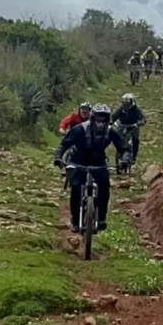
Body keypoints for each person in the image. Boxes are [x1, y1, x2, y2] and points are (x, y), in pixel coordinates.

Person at [55, 102, 126, 244]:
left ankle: (101, 219)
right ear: (92, 119)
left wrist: (125, 159)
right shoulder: (79, 129)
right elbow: (64, 144)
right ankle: (75, 219)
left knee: (104, 186)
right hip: (78, 161)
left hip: (99, 162)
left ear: (108, 121)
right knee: (75, 187)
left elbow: (124, 147)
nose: (101, 123)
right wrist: (58, 157)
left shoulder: (111, 131)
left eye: (104, 120)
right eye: (98, 120)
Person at [113, 91, 145, 165]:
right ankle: (119, 153)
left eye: (127, 104)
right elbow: (114, 116)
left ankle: (134, 156)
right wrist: (111, 121)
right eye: (124, 104)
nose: (126, 106)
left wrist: (141, 122)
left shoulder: (136, 109)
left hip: (133, 126)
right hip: (122, 125)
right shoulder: (121, 108)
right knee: (117, 138)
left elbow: (142, 118)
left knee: (135, 139)